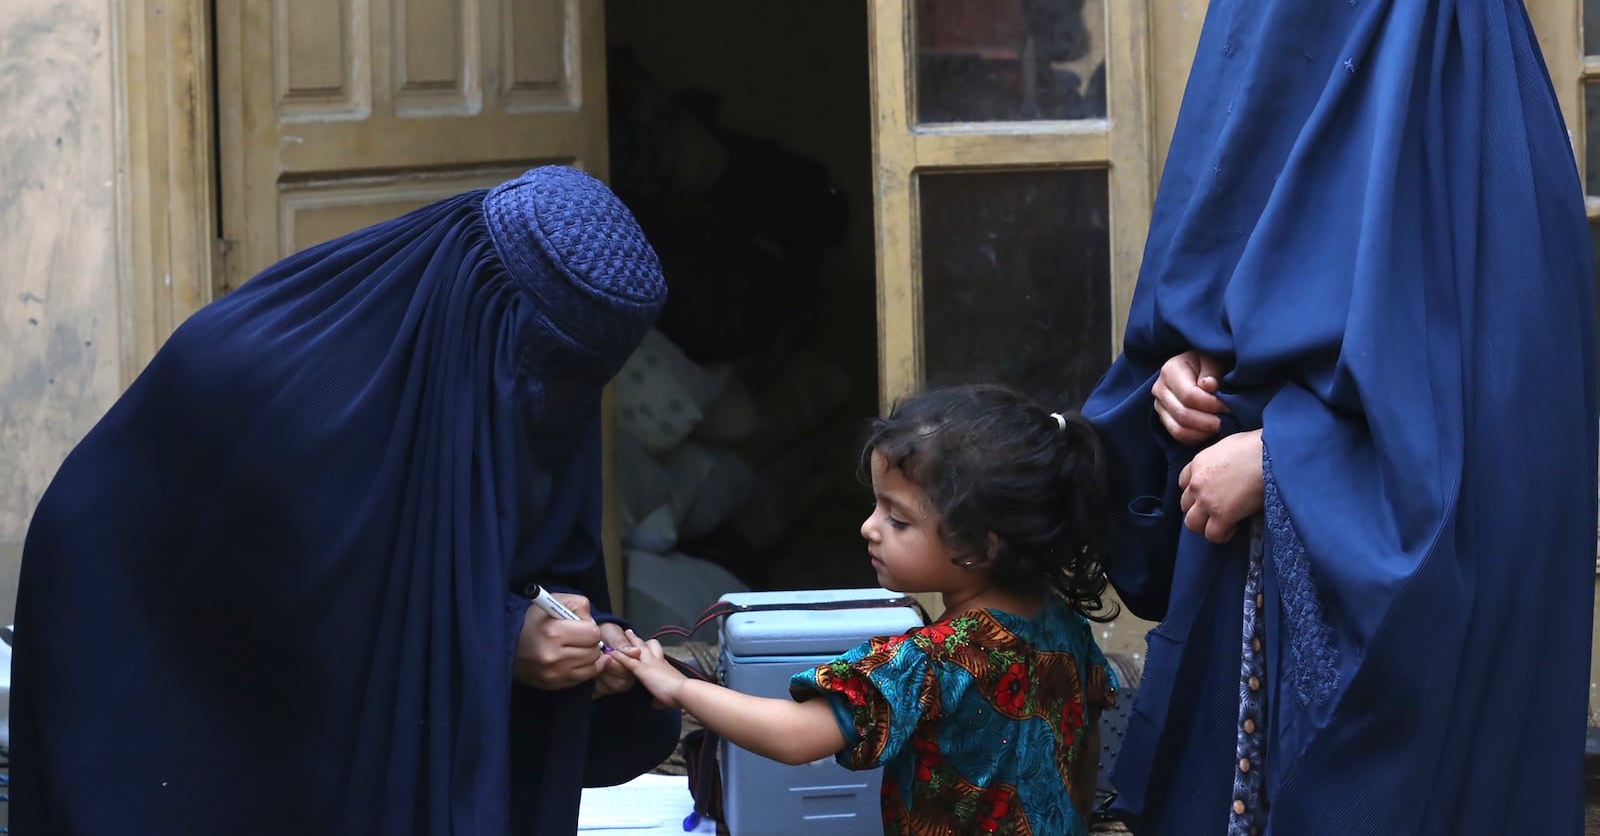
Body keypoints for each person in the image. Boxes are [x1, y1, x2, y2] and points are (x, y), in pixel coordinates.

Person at [1083, 0, 1597, 834]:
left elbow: (1516, 448)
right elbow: (1185, 323)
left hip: (1399, 691)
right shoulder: (1256, 90)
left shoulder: (1494, 161)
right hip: (1233, 612)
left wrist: (1286, 460)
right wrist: (1175, 379)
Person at [9, 165, 682, 834]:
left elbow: (516, 567)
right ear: (495, 319)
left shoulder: (507, 405)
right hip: (169, 730)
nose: (564, 398)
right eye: (562, 368)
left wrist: (586, 643)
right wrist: (498, 639)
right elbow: (284, 623)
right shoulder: (274, 383)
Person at [613, 384, 1119, 835]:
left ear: (978, 547)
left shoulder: (931, 660)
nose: (868, 527)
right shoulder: (1064, 626)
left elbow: (794, 737)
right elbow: (1086, 751)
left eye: (897, 519)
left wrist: (679, 686)